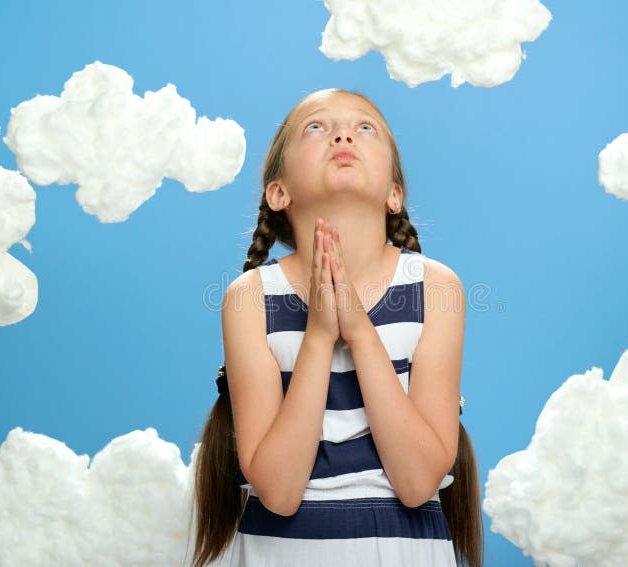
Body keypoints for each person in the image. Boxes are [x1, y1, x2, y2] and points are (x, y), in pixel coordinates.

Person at [190, 88, 483, 567]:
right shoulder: (250, 298)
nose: (344, 134)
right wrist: (321, 336)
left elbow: (417, 483)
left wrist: (361, 332)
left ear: (395, 194)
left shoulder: (435, 288)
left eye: (365, 127)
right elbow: (280, 493)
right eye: (316, 128)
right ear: (279, 193)